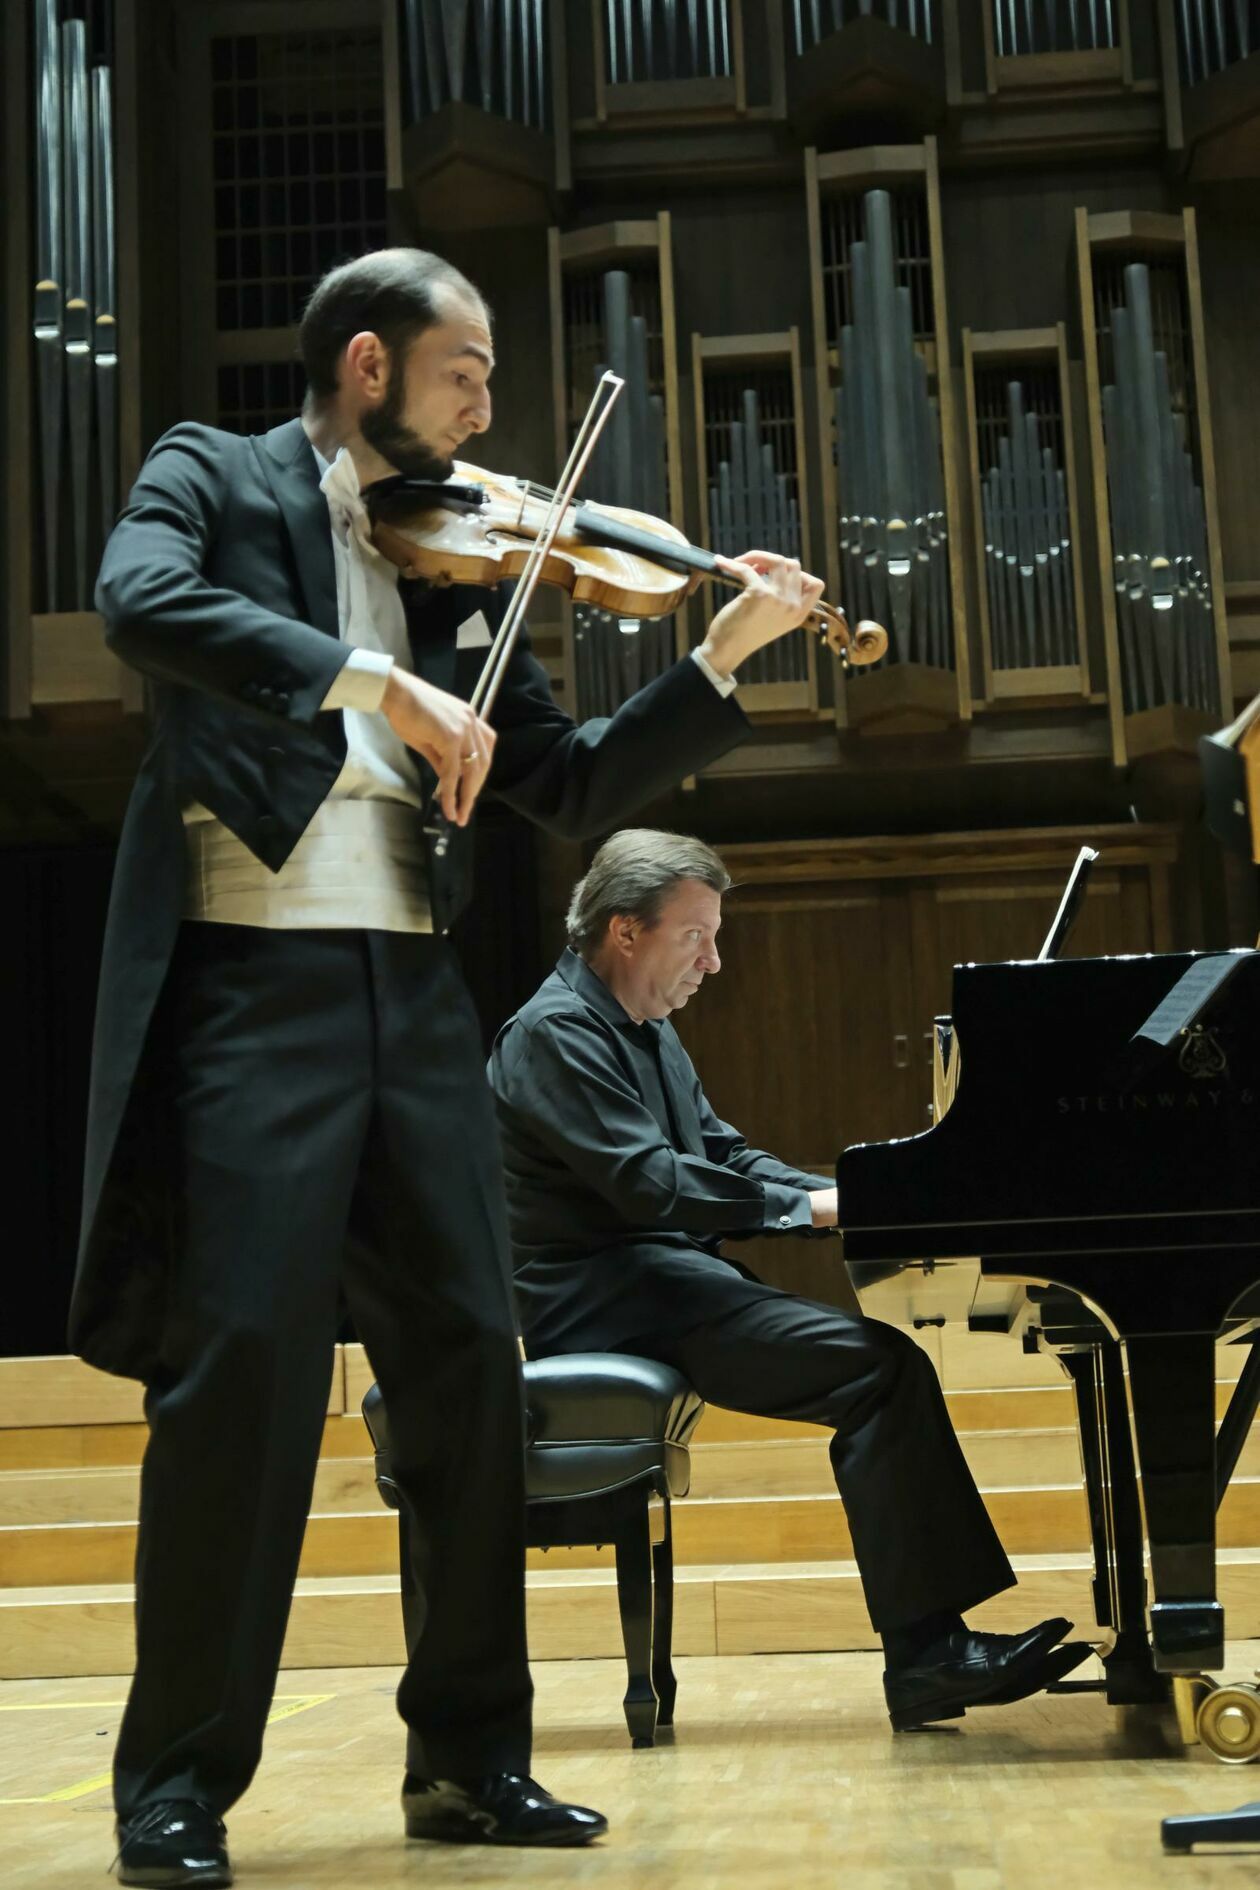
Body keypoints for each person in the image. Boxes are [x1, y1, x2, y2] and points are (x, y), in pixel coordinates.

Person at [73, 247, 826, 1888]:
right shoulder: (212, 473)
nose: (492, 408)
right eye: (467, 371)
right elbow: (141, 605)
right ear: (366, 363)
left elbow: (563, 779)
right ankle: (179, 1778)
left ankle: (472, 1759)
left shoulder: (464, 560)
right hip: (247, 985)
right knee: (245, 1382)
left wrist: (727, 655)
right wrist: (373, 678)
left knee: (469, 1370)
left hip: (410, 996)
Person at [487, 829, 1094, 1736]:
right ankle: (927, 1657)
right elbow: (651, 1184)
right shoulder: (553, 1036)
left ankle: (932, 1650)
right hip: (601, 1299)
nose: (714, 960)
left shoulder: (643, 1029)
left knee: (882, 1367)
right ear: (625, 930)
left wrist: (852, 1192)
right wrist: (811, 1212)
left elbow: (721, 1150)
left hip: (656, 1282)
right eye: (697, 936)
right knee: (877, 1370)